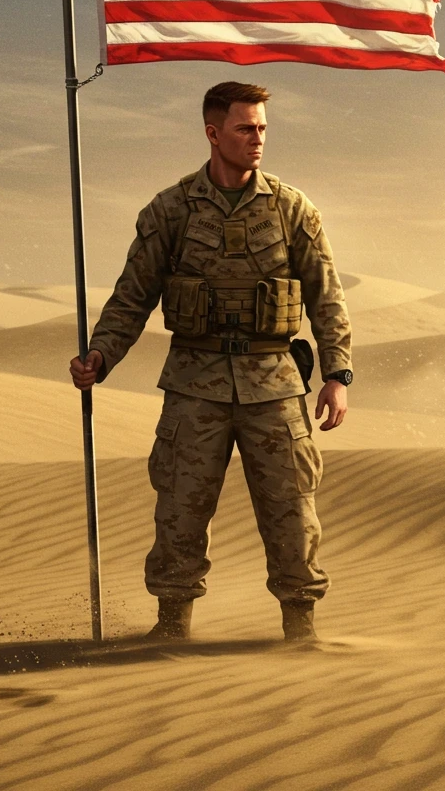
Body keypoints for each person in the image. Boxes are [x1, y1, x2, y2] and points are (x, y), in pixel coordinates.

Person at [69, 81, 353, 642]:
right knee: (179, 509)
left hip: (274, 386)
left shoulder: (293, 209)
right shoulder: (170, 210)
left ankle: (301, 628)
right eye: (246, 128)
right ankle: (171, 627)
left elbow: (327, 296)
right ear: (213, 132)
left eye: (263, 128)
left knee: (293, 514)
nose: (257, 139)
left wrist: (337, 374)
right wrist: (101, 355)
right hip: (194, 385)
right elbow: (132, 296)